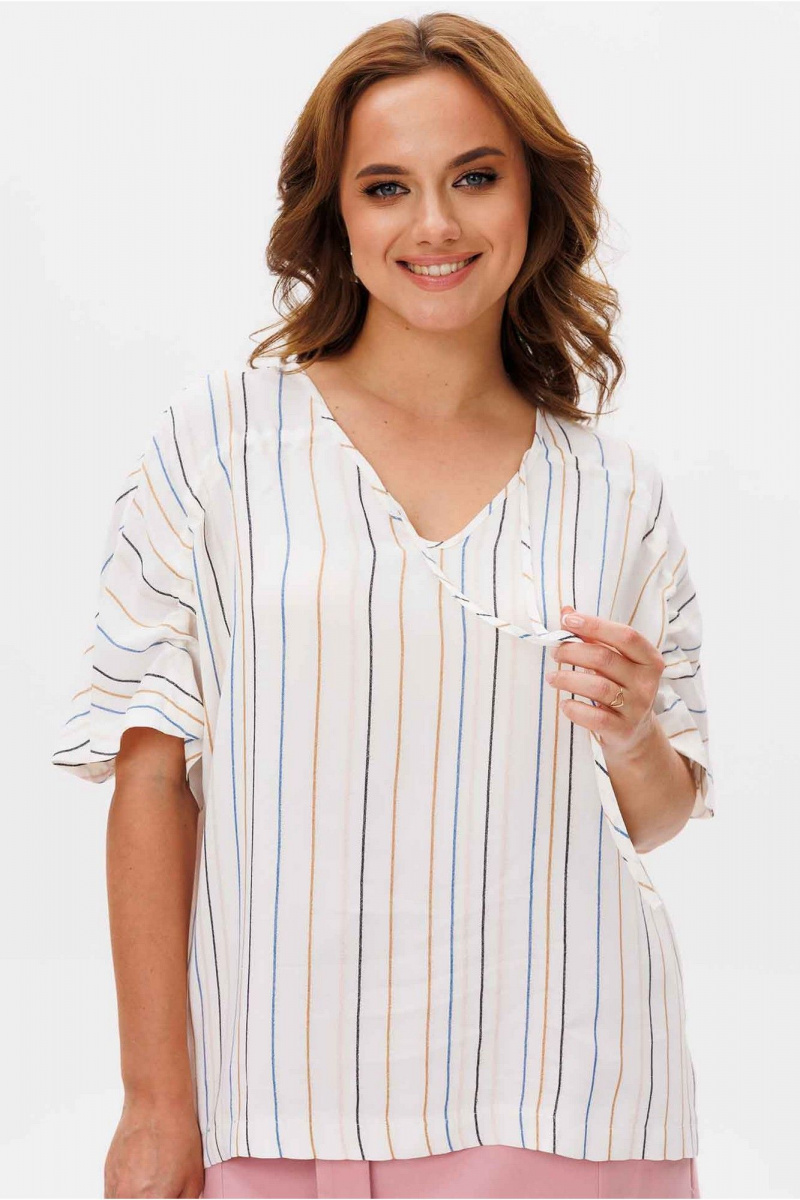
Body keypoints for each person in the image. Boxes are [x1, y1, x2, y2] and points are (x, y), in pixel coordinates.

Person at [51, 12, 715, 1200]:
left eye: (475, 176)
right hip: (279, 1102)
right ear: (336, 216)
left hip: (567, 1099)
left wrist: (630, 735)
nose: (435, 224)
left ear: (533, 197)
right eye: (386, 186)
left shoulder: (616, 492)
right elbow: (149, 779)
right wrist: (155, 1104)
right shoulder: (217, 446)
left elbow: (658, 812)